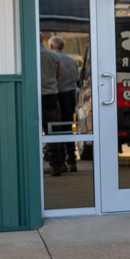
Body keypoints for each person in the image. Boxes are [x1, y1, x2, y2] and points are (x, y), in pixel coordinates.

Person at [49, 36, 79, 171]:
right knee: (68, 127)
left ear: (51, 46)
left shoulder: (53, 59)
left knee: (57, 129)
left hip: (58, 96)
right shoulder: (72, 60)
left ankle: (60, 162)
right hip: (71, 95)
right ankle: (72, 161)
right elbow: (76, 79)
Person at [40, 41, 64, 176]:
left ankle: (34, 166)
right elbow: (58, 75)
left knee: (31, 132)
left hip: (33, 95)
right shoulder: (53, 55)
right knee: (52, 131)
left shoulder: (28, 54)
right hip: (50, 96)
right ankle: (56, 165)